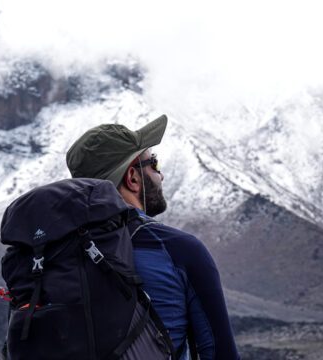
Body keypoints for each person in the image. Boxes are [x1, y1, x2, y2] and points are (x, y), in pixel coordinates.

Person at [66, 115, 240, 359]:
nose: (161, 175)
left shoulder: (48, 253)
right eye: (154, 163)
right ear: (133, 178)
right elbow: (220, 353)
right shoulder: (178, 250)